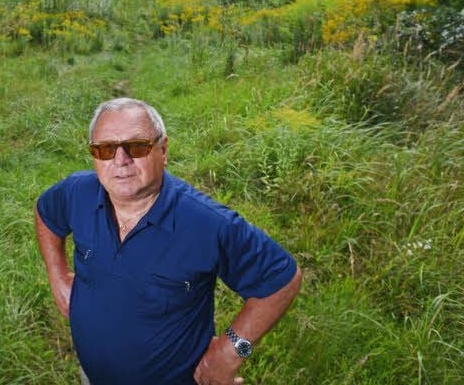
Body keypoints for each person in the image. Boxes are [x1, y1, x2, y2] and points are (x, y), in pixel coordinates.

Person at [35, 97, 302, 385]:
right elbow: (46, 213)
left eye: (137, 146)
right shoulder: (78, 192)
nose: (120, 160)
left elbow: (282, 279)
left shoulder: (206, 223)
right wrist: (57, 275)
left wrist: (229, 354)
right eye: (105, 149)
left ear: (163, 150)